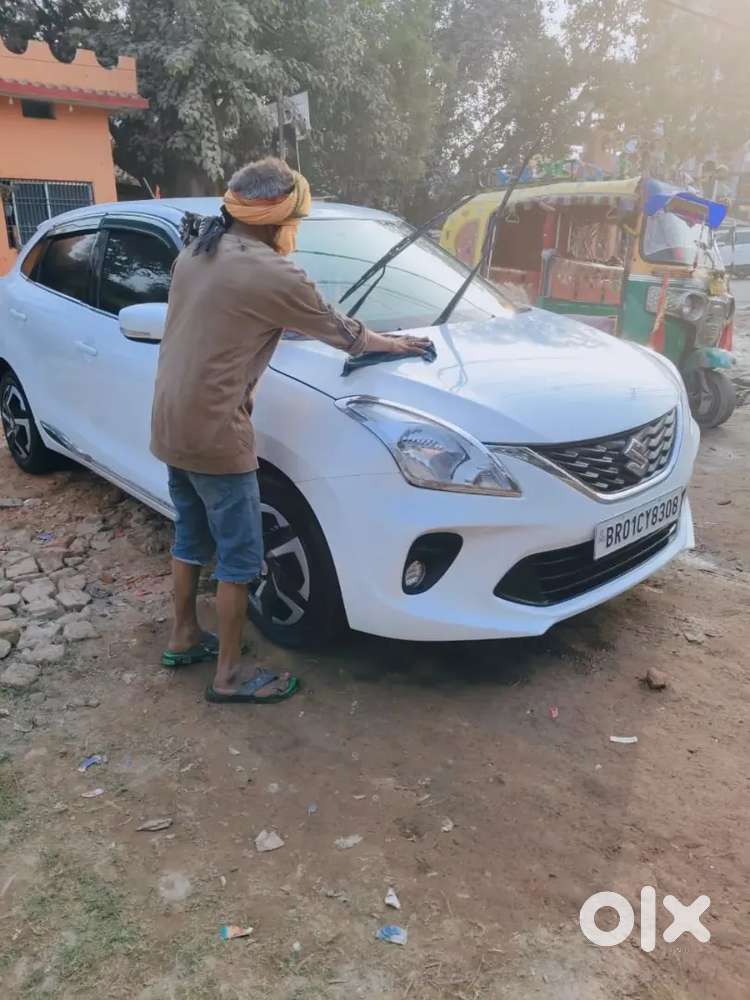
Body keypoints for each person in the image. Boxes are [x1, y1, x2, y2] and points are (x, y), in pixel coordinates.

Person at [150, 157, 432, 704]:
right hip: (216, 432)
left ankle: (183, 636)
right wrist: (398, 344)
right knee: (239, 558)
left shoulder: (196, 251)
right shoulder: (271, 272)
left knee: (189, 535)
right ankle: (229, 678)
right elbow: (341, 331)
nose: (296, 231)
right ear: (277, 216)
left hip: (169, 422)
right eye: (297, 218)